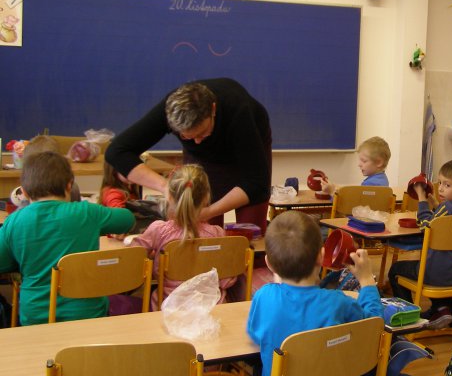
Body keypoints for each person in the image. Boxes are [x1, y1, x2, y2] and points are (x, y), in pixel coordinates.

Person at [247, 210, 385, 376]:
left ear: (269, 264)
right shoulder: (338, 303)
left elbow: (255, 333)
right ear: (322, 256)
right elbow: (374, 328)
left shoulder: (264, 297)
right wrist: (367, 280)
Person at [105, 78, 272, 233]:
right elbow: (117, 152)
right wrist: (165, 187)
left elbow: (257, 183)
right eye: (187, 137)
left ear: (213, 110)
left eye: (203, 133)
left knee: (250, 233)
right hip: (202, 160)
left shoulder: (239, 110)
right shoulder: (171, 110)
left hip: (248, 150)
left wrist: (209, 211)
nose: (197, 142)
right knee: (201, 232)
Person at [0, 152, 134, 325]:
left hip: (35, 317)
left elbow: (2, 262)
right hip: (88, 315)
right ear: (70, 185)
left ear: (24, 192)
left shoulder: (14, 221)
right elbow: (127, 219)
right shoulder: (87, 212)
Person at [388, 158, 452, 329]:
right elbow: (449, 223)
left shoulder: (447, 209)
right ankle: (443, 311)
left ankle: (409, 318)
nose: (440, 188)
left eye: (447, 185)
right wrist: (437, 205)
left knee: (395, 270)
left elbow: (425, 226)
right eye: (440, 182)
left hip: (436, 273)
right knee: (448, 258)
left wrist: (422, 199)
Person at [129, 164, 236, 309]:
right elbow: (226, 281)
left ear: (169, 196)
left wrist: (155, 259)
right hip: (211, 309)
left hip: (168, 308)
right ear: (206, 198)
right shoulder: (217, 234)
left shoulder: (159, 231)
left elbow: (133, 257)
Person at [319, 136, 391, 195]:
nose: (359, 165)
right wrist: (336, 187)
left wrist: (332, 192)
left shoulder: (370, 185)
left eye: (364, 161)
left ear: (379, 162)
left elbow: (352, 206)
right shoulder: (382, 180)